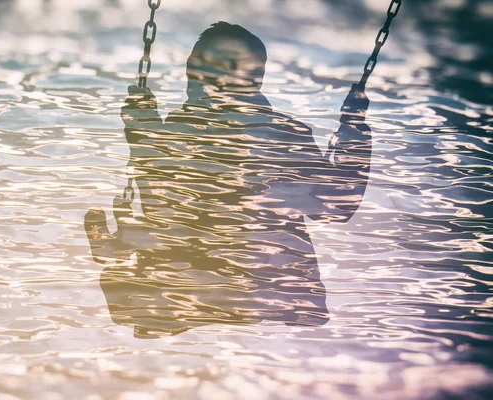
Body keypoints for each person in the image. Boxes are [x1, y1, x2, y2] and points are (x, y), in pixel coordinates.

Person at [85, 22, 371, 338]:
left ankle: (150, 278)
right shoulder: (286, 136)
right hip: (269, 291)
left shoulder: (167, 136)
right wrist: (352, 130)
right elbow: (336, 206)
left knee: (151, 243)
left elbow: (158, 199)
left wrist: (142, 130)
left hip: (176, 289)